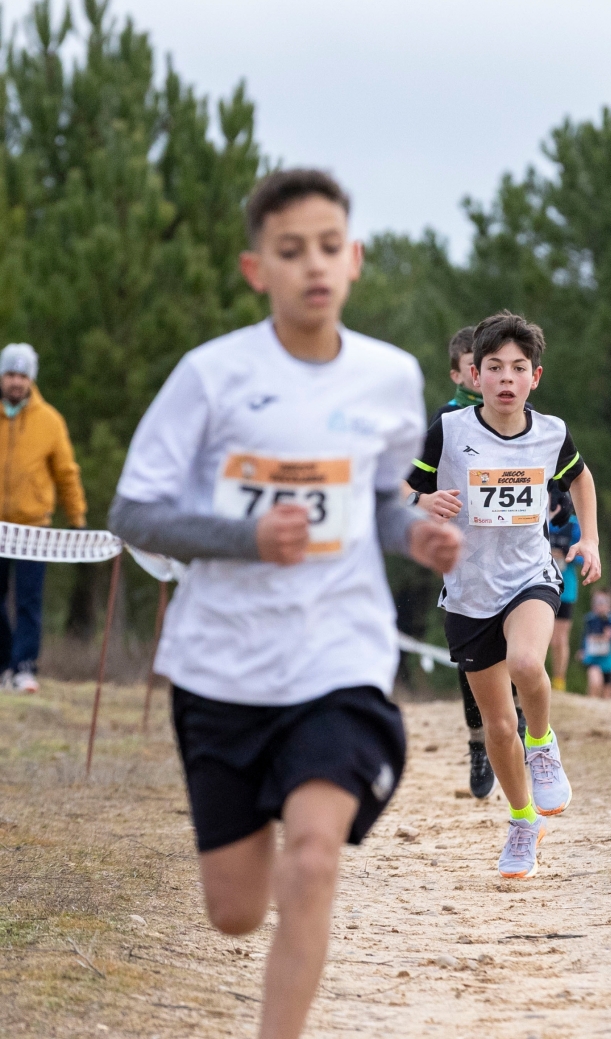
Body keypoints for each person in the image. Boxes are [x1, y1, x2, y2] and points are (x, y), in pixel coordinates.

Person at [108, 169, 461, 1039]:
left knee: (313, 858)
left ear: (356, 259)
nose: (314, 265)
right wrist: (247, 538)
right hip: (222, 664)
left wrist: (412, 533)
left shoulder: (388, 376)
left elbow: (381, 500)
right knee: (233, 910)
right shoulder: (212, 375)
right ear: (254, 267)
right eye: (290, 250)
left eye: (329, 248)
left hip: (336, 656)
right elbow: (133, 512)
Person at [405, 310, 601, 878]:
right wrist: (422, 504)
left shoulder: (552, 433)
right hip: (467, 592)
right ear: (475, 374)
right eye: (495, 367)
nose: (507, 378)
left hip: (530, 576)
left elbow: (581, 478)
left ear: (534, 377)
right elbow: (397, 488)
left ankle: (542, 743)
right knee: (495, 726)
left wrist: (588, 539)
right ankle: (521, 823)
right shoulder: (450, 431)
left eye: (519, 368)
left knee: (525, 662)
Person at [405, 325, 525, 800]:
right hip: (466, 554)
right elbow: (412, 483)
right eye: (483, 367)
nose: (491, 377)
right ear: (463, 372)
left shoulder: (520, 414)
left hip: (518, 555)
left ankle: (515, 730)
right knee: (472, 650)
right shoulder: (448, 422)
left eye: (503, 366)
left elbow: (544, 471)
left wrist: (560, 516)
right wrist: (424, 505)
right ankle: (480, 740)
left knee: (519, 648)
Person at [0, 343, 87, 694]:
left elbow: (66, 472)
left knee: (29, 601)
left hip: (33, 526)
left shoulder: (50, 421)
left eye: (22, 375)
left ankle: (24, 667)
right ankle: (4, 662)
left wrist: (76, 515)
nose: (16, 382)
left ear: (31, 379)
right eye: (11, 374)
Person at [548, 488, 581, 691]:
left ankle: (559, 679)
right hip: (541, 584)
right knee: (542, 638)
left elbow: (583, 555)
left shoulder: (574, 525)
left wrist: (565, 555)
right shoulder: (539, 520)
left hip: (566, 587)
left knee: (559, 639)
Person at [580, 589, 611, 699]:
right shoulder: (590, 620)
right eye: (597, 601)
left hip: (608, 662)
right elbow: (584, 636)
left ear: (610, 604)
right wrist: (582, 650)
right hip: (593, 659)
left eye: (603, 602)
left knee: (607, 694)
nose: (600, 605)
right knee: (595, 683)